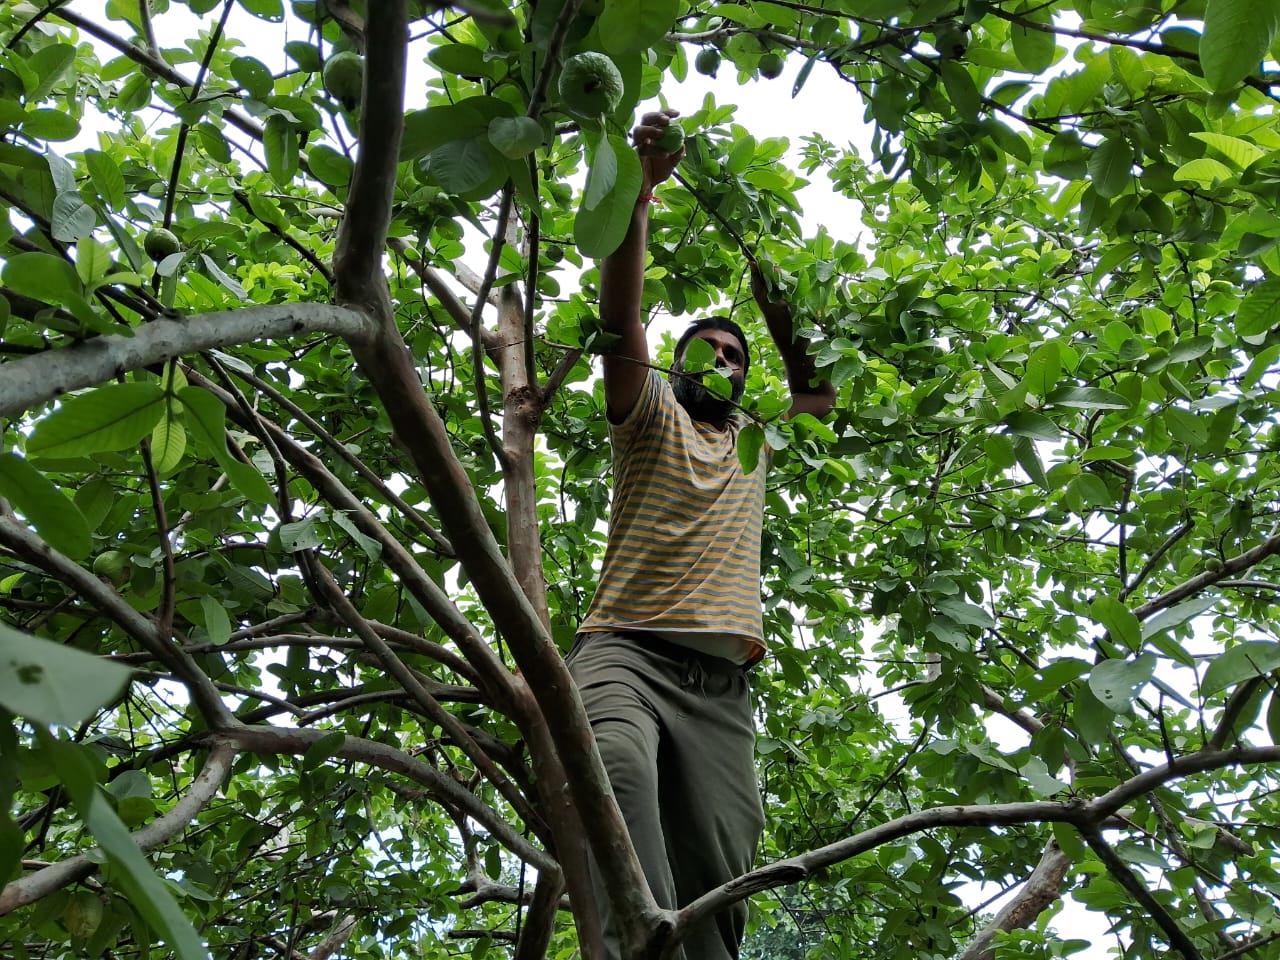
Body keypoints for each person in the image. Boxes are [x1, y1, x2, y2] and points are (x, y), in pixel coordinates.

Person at [566, 109, 835, 960]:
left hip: (720, 688)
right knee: (617, 775)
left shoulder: (756, 444)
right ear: (672, 364)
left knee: (720, 871)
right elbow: (621, 312)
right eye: (702, 349)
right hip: (624, 654)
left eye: (734, 356)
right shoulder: (645, 414)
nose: (719, 361)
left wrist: (776, 306)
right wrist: (638, 197)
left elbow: (819, 394)